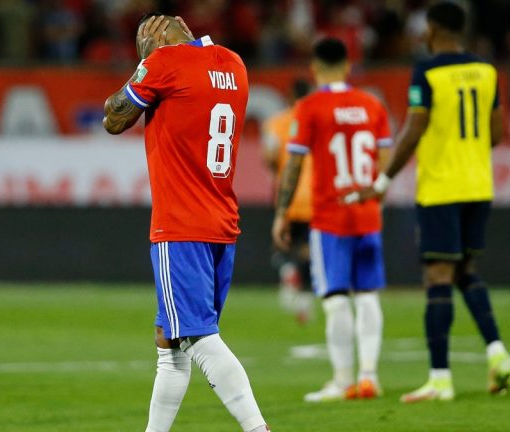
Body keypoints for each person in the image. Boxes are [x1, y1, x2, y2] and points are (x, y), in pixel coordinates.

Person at [103, 13, 270, 432]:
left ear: (157, 40)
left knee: (197, 337)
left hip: (180, 224)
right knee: (170, 340)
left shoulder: (164, 63)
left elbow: (113, 119)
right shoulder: (233, 63)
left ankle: (257, 428)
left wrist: (144, 64)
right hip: (221, 220)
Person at [348, 1, 510, 403]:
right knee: (466, 270)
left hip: (442, 187)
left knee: (438, 276)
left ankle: (440, 379)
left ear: (435, 29)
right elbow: (496, 133)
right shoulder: (487, 71)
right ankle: (498, 353)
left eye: (425, 27)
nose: (421, 34)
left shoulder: (427, 70)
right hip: (479, 185)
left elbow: (415, 127)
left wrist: (384, 178)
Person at [272, 37, 391, 402]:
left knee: (336, 298)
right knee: (367, 295)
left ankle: (342, 380)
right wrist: (377, 196)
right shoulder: (372, 104)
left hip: (330, 218)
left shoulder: (310, 106)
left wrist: (282, 212)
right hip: (367, 215)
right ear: (348, 65)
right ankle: (369, 376)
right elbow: (385, 159)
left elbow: (293, 163)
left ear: (315, 67)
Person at [262, 79, 314, 324]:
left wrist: (277, 171)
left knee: (283, 241)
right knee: (308, 248)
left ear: (291, 95)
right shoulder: (316, 121)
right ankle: (304, 298)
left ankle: (287, 271)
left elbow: (270, 155)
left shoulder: (277, 122)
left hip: (287, 194)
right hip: (313, 197)